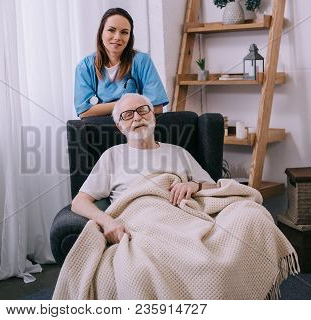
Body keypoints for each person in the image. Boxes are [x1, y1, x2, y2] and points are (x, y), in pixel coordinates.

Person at [71, 93, 219, 244]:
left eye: (142, 110)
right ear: (119, 126)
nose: (137, 117)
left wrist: (193, 185)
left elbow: (213, 186)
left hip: (186, 223)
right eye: (127, 115)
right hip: (141, 229)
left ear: (153, 116)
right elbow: (79, 202)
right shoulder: (112, 156)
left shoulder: (179, 152)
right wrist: (107, 222)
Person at [74, 8, 169, 118]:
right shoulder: (85, 67)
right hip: (102, 129)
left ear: (129, 37)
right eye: (111, 30)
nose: (117, 37)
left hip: (135, 127)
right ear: (101, 33)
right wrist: (131, 104)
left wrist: (101, 108)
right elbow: (84, 111)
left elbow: (157, 107)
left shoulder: (142, 61)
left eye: (124, 32)